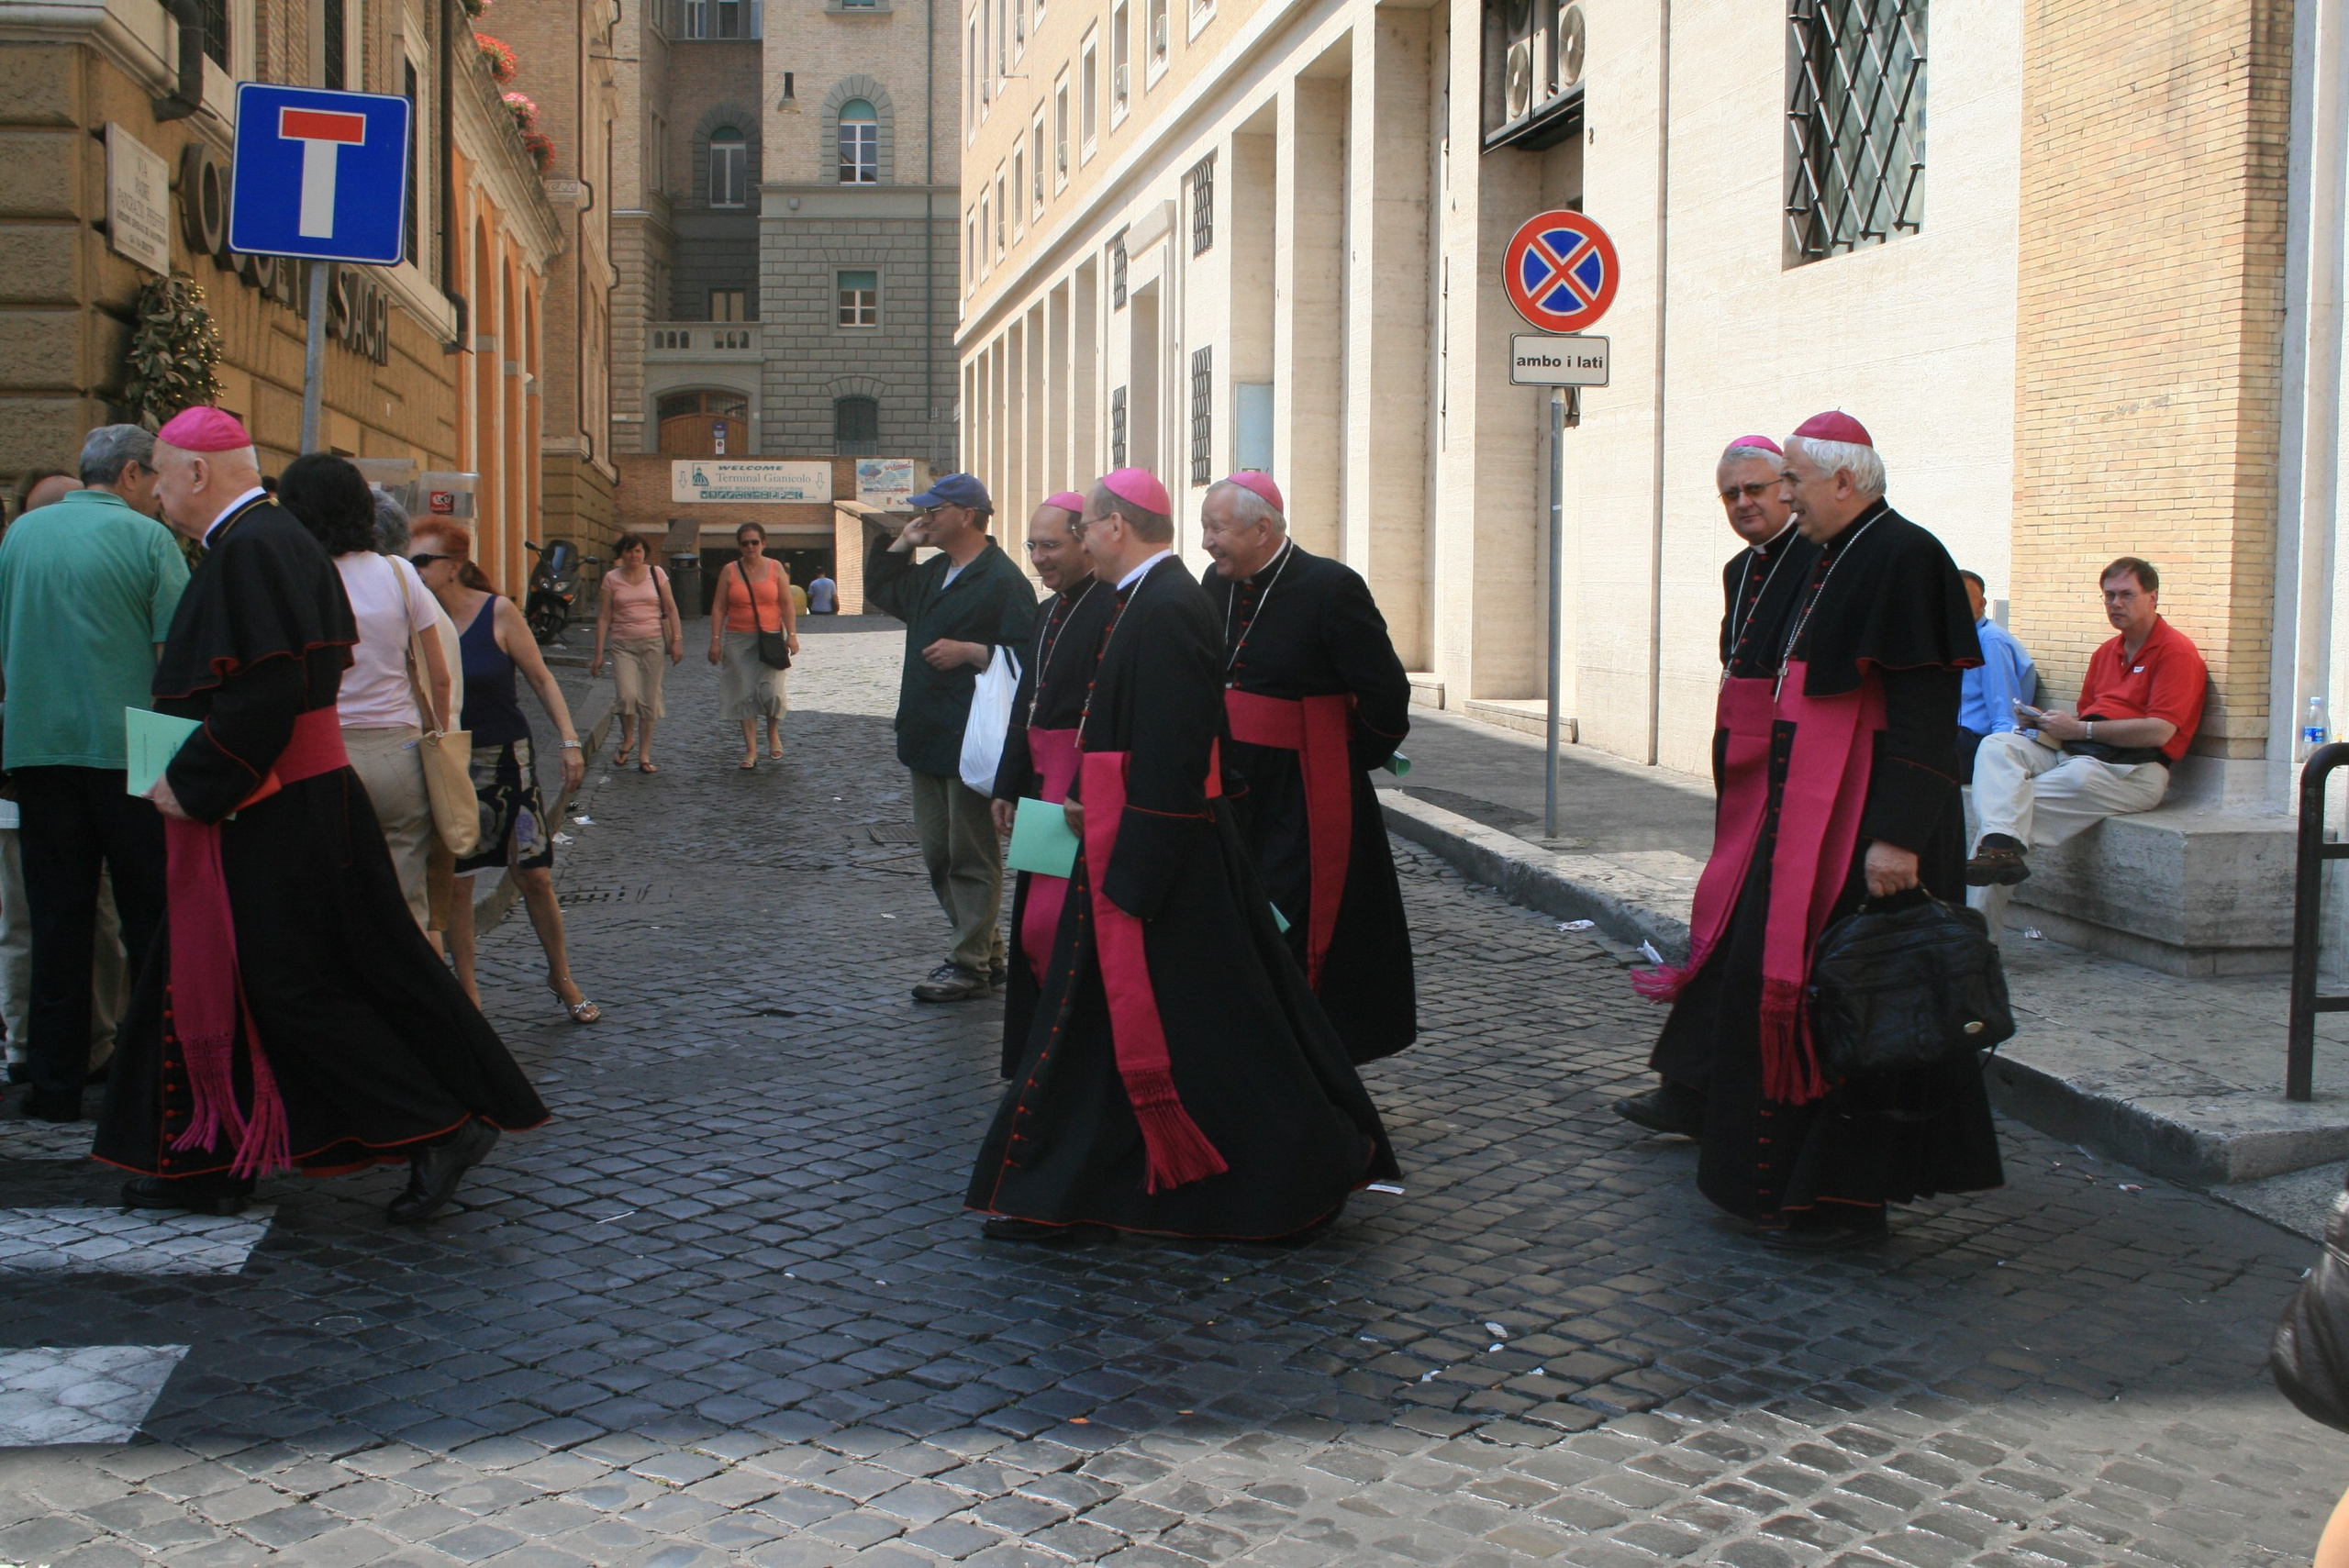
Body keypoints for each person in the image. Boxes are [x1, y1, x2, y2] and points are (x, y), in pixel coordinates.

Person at [95, 407, 546, 1220]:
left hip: (272, 805)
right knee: (280, 976)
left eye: (159, 473)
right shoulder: (268, 540)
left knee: (288, 986)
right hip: (297, 796)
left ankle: (436, 1128)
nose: (154, 491)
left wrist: (192, 781)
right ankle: (209, 1157)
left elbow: (268, 692)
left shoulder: (254, 547)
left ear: (196, 472)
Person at [967, 469, 1397, 1242]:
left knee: (1208, 1028)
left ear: (1114, 526)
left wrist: (1136, 870)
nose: (1080, 540)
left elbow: (1173, 752)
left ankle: (1274, 1168)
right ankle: (1076, 1187)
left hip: (1153, 850)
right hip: (1132, 838)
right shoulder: (1154, 596)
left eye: (1085, 526)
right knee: (1184, 1027)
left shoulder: (1165, 605)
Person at [1632, 412, 2002, 1249]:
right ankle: (1783, 1186)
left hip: (1869, 822)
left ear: (1843, 480)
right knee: (1783, 991)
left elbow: (1924, 711)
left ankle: (1841, 1200)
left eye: (1793, 479)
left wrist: (1896, 837)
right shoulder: (1827, 553)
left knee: (1858, 1004)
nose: (1786, 495)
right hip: (1811, 814)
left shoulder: (1907, 554)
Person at [1617, 434, 1820, 1139]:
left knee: (1741, 934)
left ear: (1788, 488)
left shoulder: (1819, 558)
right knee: (1727, 927)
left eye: (1754, 489)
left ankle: (1698, 1090)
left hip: (1793, 778)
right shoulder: (1741, 569)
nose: (1743, 503)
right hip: (1743, 773)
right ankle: (1703, 1091)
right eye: (1730, 494)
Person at [1197, 472, 1417, 1065]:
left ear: (1262, 528)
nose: (1207, 543)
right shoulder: (1215, 586)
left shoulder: (1330, 587)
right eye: (1204, 528)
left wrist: (1342, 756)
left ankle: (1310, 1057)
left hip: (1304, 796)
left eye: (1217, 529)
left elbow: (1386, 694)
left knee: (1296, 923)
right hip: (1231, 790)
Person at [0, 424, 188, 1121]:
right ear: (133, 474)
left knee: (57, 919)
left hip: (39, 748)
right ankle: (152, 1078)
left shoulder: (21, 535)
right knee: (148, 918)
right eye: (155, 477)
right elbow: (173, 660)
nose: (158, 493)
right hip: (130, 751)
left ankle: (53, 1084)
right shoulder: (149, 540)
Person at [411, 519, 599, 1024]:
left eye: (421, 561)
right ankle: (468, 994)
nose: (413, 570)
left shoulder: (497, 611)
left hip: (509, 761)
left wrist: (569, 740)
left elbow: (541, 677)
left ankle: (561, 975)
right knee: (459, 883)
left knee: (534, 874)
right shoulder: (415, 619)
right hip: (450, 763)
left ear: (454, 566)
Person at [864, 473, 1040, 1002]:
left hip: (971, 735)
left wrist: (972, 652)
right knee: (938, 854)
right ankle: (986, 953)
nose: (924, 518)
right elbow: (882, 590)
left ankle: (968, 964)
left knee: (970, 855)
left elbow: (1030, 657)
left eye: (933, 510)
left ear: (966, 515)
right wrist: (902, 543)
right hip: (926, 730)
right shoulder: (936, 570)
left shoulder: (1003, 579)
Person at [1965, 557, 2204, 933]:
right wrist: (2045, 723)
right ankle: (1995, 863)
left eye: (2126, 595)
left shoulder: (2176, 652)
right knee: (1998, 744)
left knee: (2006, 819)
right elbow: (2088, 719)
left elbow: (2159, 732)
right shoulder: (2106, 652)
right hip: (2079, 753)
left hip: (2133, 770)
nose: (2116, 604)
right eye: (2109, 595)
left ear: (2152, 597)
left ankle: (1977, 939)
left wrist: (2081, 730)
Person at [276, 455, 452, 936]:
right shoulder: (398, 573)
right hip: (399, 749)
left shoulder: (293, 576)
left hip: (320, 753)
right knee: (407, 907)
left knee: (328, 907)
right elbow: (438, 675)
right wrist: (438, 736)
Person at [987, 493, 1114, 1073]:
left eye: (1051, 546)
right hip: (1043, 783)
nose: (1038, 558)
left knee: (1060, 923)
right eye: (1032, 546)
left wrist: (1083, 785)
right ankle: (1040, 1051)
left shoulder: (1113, 608)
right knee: (1036, 925)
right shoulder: (1048, 611)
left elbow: (1109, 712)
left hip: (1077, 787)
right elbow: (1025, 704)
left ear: (1085, 541)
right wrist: (1007, 783)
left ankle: (1070, 1052)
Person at [590, 534, 681, 773]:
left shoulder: (656, 574)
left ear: (644, 553)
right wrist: (598, 654)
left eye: (638, 551)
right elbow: (604, 617)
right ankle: (628, 737)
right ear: (622, 553)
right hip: (623, 645)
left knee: (649, 700)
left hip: (653, 643)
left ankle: (644, 755)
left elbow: (671, 608)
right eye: (629, 551)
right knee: (626, 696)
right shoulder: (611, 578)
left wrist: (677, 641)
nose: (634, 555)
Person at [708, 522, 797, 769]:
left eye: (755, 542)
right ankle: (751, 750)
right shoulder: (729, 571)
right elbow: (718, 607)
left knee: (772, 692)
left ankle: (772, 732)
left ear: (763, 543)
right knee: (744, 693)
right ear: (739, 546)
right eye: (745, 543)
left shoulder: (775, 568)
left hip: (770, 638)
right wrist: (715, 641)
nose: (750, 547)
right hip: (738, 639)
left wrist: (792, 635)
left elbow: (787, 604)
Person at [1954, 570, 2038, 784]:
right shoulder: (1961, 638)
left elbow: (2004, 713)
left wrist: (1997, 763)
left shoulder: (1990, 640)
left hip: (1978, 742)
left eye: (1962, 598)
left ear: (1981, 604)